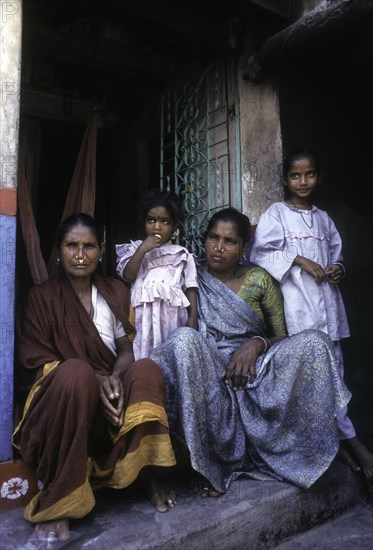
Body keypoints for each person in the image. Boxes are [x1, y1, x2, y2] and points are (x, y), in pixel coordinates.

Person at [150, 207, 351, 496]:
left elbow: (281, 336)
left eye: (230, 241)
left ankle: (317, 449)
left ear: (244, 247)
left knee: (315, 343)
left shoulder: (259, 279)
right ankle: (209, 465)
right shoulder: (190, 274)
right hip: (209, 366)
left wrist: (256, 344)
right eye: (213, 238)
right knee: (182, 339)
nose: (219, 248)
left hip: (257, 368)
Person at [13, 213, 177, 543]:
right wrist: (94, 379)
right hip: (66, 398)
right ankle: (61, 499)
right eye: (72, 245)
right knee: (76, 372)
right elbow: (35, 362)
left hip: (107, 389)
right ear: (58, 251)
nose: (80, 254)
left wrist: (115, 377)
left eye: (89, 246)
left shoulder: (114, 292)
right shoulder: (40, 298)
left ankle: (145, 473)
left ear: (100, 252)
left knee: (146, 370)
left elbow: (125, 351)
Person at [250, 147, 373, 478]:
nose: (302, 181)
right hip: (296, 305)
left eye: (309, 174)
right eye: (295, 175)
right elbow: (261, 252)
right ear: (286, 179)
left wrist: (337, 269)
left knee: (336, 371)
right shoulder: (277, 213)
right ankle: (345, 444)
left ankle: (341, 441)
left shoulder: (323, 218)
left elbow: (337, 254)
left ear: (318, 176)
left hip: (327, 306)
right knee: (309, 379)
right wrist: (299, 259)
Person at [116, 189, 198, 360]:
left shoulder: (181, 254)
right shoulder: (134, 250)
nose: (157, 226)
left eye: (165, 221)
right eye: (151, 220)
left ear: (175, 227)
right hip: (141, 316)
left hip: (171, 318)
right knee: (143, 356)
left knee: (171, 356)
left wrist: (193, 317)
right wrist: (142, 250)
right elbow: (128, 275)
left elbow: (191, 286)